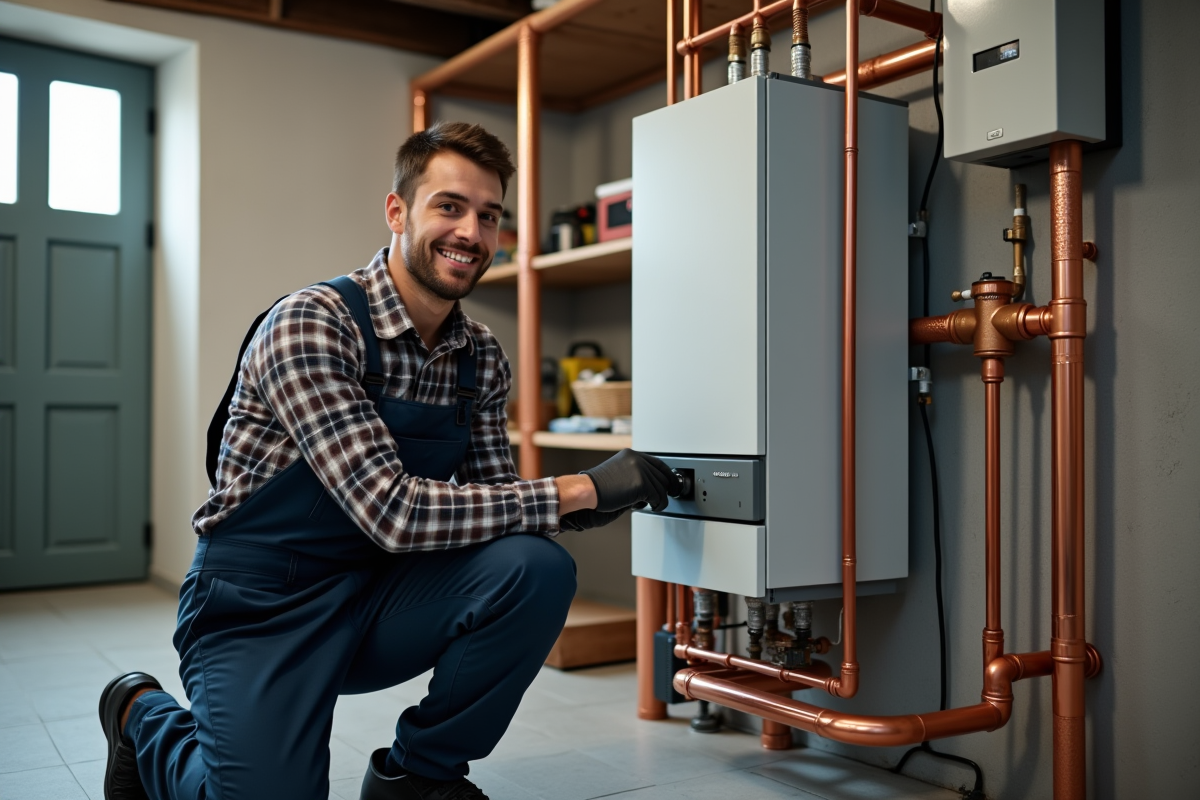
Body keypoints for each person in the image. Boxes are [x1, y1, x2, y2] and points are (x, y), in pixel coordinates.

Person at [98, 121, 679, 800]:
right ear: (397, 211)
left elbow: (499, 510)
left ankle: (417, 776)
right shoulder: (312, 322)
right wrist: (580, 488)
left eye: (489, 216)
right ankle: (145, 718)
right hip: (258, 604)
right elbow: (393, 512)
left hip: (377, 595)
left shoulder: (481, 356)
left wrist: (591, 504)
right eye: (450, 207)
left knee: (533, 567)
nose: (471, 232)